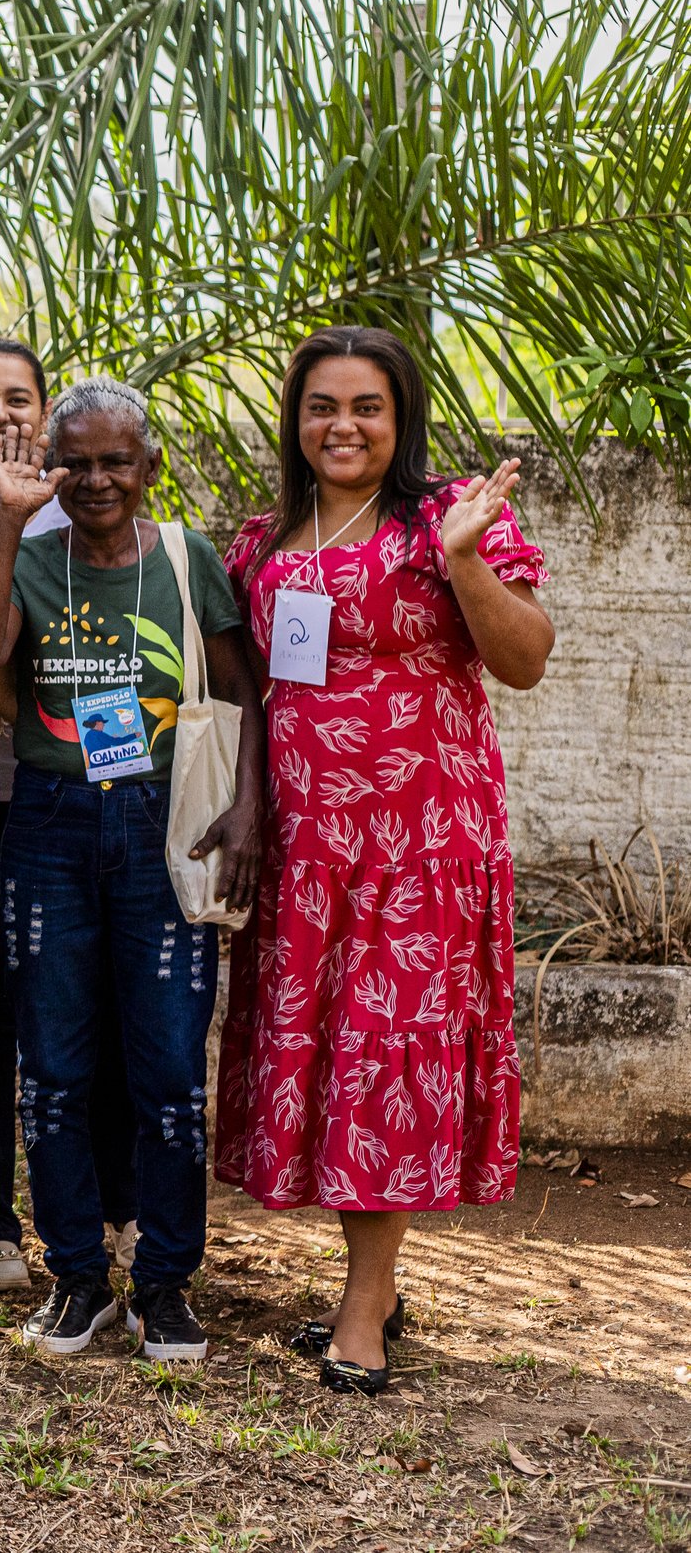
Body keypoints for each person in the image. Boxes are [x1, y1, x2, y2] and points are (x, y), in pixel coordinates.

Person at [215, 326, 551, 1394]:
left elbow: (525, 659)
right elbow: (255, 692)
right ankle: (376, 1280)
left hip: (419, 840)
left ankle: (363, 1305)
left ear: (398, 418)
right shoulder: (263, 540)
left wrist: (459, 560)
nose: (342, 425)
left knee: (383, 1045)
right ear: (294, 417)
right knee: (333, 1047)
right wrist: (245, 809)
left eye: (365, 406)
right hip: (308, 844)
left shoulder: (445, 519)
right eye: (321, 405)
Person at [0, 377, 266, 1362]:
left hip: (165, 823)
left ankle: (165, 1281)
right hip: (48, 824)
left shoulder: (186, 559)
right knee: (51, 1065)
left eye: (112, 461)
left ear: (147, 468)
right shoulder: (32, 560)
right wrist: (6, 524)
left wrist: (249, 804)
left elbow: (243, 687)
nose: (94, 480)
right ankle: (78, 1275)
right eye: (73, 462)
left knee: (168, 1067)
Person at [0, 333, 141, 1293]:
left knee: (92, 1010)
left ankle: (107, 1209)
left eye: (17, 398)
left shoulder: (80, 517)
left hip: (65, 802)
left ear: (44, 414)